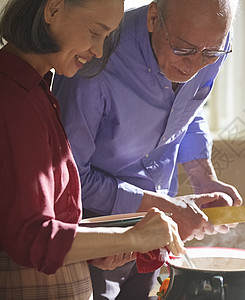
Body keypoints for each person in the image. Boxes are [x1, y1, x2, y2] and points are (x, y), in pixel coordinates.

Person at [52, 0, 242, 298]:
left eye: (211, 53)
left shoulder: (210, 40)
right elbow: (70, 181)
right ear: (154, 17)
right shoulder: (95, 59)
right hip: (96, 229)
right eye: (183, 50)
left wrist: (203, 176)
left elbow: (187, 106)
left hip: (156, 226)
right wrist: (167, 208)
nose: (194, 65)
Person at [0, 0, 186, 299]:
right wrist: (132, 236)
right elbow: (31, 239)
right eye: (95, 32)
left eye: (106, 37)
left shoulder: (37, 91)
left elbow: (38, 224)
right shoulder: (13, 101)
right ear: (53, 9)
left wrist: (106, 243)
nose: (99, 51)